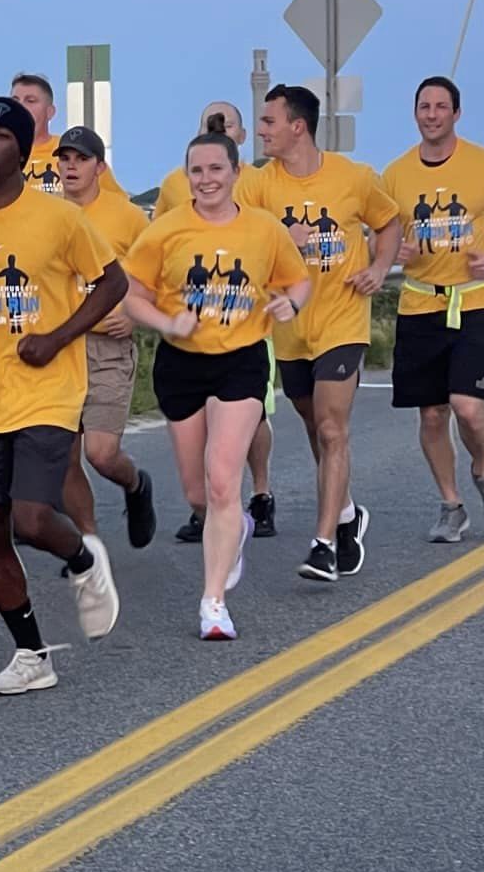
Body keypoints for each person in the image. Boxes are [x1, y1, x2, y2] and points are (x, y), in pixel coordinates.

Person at [0, 97, 127, 695]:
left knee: (33, 518)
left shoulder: (59, 219)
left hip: (50, 390)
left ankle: (84, 560)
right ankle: (31, 654)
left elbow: (112, 281)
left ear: (20, 151)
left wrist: (60, 335)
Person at [121, 133, 308, 641]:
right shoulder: (166, 230)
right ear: (186, 177)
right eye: (196, 171)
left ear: (235, 172)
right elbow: (130, 295)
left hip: (241, 362)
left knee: (224, 479)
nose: (205, 180)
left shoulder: (264, 229)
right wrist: (164, 322)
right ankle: (233, 526)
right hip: (181, 363)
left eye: (215, 169)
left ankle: (213, 604)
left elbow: (297, 279)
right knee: (197, 491)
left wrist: (292, 304)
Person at [250, 85, 401, 582]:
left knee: (334, 428)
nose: (261, 130)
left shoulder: (354, 177)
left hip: (343, 319)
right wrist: (277, 237)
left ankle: (324, 545)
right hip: (290, 328)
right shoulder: (256, 186)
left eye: (269, 121)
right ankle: (347, 514)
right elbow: (235, 236)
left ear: (298, 126)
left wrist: (379, 268)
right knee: (316, 429)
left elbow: (389, 222)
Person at [384, 75, 484, 542]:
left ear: (456, 113)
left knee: (467, 407)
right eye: (424, 106)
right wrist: (394, 252)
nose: (431, 114)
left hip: (475, 302)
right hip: (419, 305)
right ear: (415, 114)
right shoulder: (395, 175)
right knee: (431, 414)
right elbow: (380, 235)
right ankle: (451, 505)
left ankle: (483, 469)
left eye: (440, 106)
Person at [151, 101, 277, 541]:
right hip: (189, 328)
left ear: (240, 142)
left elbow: (275, 237)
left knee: (250, 417)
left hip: (246, 320)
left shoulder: (260, 182)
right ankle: (210, 502)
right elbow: (162, 242)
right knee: (200, 427)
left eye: (227, 124)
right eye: (209, 122)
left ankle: (258, 493)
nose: (218, 127)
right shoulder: (173, 186)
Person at [52, 125, 157, 548]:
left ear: (100, 167)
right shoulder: (47, 213)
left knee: (101, 453)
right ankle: (89, 544)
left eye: (81, 159)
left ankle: (135, 486)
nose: (71, 166)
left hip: (107, 346)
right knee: (62, 456)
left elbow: (157, 274)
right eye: (64, 158)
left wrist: (135, 317)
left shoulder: (127, 215)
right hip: (59, 346)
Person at [0, 73, 127, 203]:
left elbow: (116, 207)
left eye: (30, 100)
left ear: (50, 112)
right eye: (15, 100)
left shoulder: (76, 152)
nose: (20, 107)